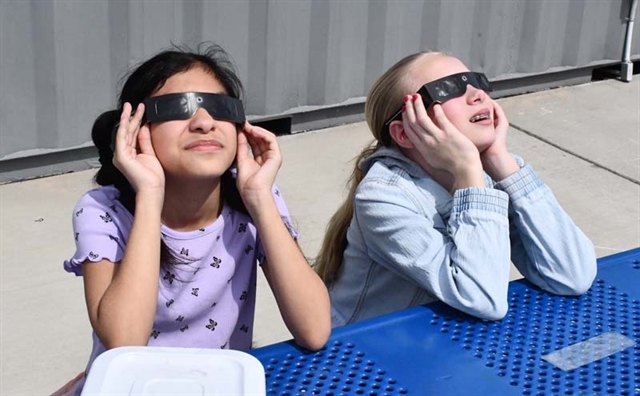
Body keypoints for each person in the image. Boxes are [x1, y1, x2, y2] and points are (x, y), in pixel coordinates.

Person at [56, 44, 330, 395]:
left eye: (219, 108)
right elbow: (124, 344)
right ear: (132, 130)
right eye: (177, 108)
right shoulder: (103, 211)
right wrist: (150, 195)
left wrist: (260, 199)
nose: (203, 122)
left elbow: (315, 328)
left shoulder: (254, 199)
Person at [315, 51, 597, 328]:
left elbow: (574, 275)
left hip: (436, 339)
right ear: (405, 132)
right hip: (360, 353)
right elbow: (484, 299)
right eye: (447, 88)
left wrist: (500, 162)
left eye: (476, 81)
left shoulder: (490, 170)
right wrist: (467, 172)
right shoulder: (383, 198)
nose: (477, 95)